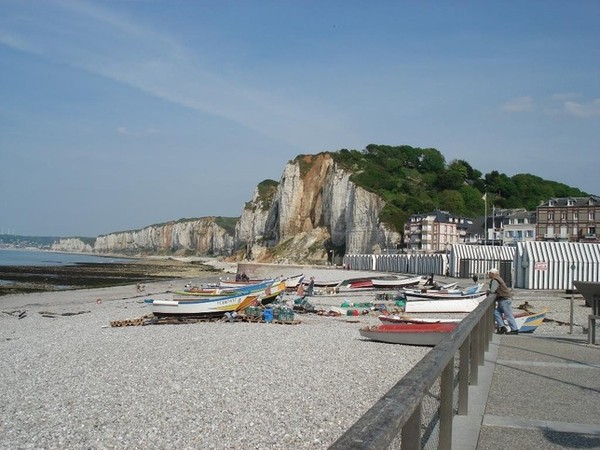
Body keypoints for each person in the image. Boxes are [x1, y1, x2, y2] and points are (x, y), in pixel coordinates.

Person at [487, 268, 519, 334]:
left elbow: (492, 290)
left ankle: (514, 329)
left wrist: (488, 292)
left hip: (504, 299)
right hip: (504, 299)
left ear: (492, 274)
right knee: (496, 312)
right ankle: (502, 327)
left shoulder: (495, 280)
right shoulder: (498, 278)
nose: (488, 274)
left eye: (489, 273)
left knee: (508, 315)